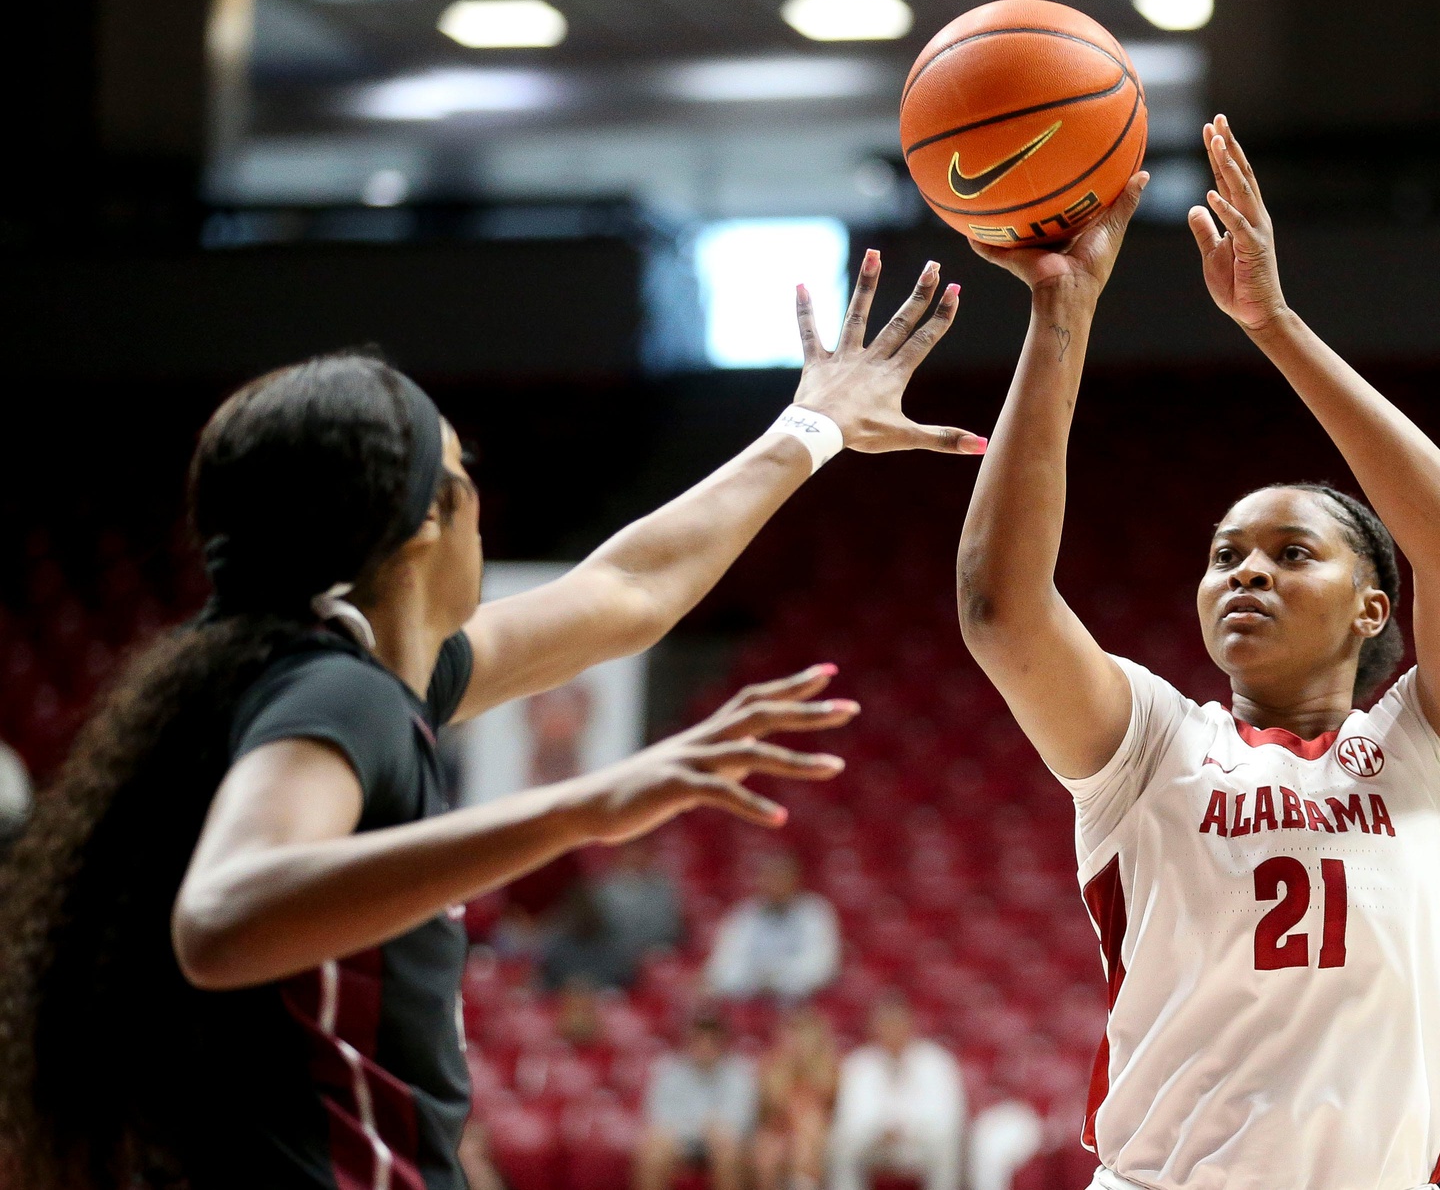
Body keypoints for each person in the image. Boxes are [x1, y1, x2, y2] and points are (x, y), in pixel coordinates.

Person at [0, 255, 984, 1190]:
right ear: (429, 519)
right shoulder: (339, 696)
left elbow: (631, 590)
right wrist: (582, 806)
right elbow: (220, 921)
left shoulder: (311, 674)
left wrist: (810, 429)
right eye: (464, 470)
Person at [956, 114, 1440, 1190]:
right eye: (1225, 555)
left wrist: (1271, 322)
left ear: (1370, 608)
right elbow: (998, 609)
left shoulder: (1432, 759)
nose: (1245, 572)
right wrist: (1059, 311)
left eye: (1288, 551)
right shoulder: (1153, 748)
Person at [827, 993, 967, 1190]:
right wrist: (881, 1129)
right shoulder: (859, 1063)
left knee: (946, 1143)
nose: (892, 1031)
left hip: (920, 1143)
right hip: (876, 1143)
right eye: (885, 1024)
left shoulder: (936, 1061)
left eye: (897, 1024)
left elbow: (948, 1116)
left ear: (910, 1026)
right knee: (841, 1143)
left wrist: (905, 1128)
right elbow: (850, 1117)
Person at [637, 1008, 760, 1190]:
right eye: (699, 1038)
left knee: (728, 1149)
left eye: (712, 1039)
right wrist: (702, 1129)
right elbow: (658, 1118)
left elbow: (740, 1122)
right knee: (652, 1150)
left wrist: (713, 1131)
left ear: (723, 1041)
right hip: (680, 1142)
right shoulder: (668, 1070)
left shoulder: (740, 1072)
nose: (705, 1045)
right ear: (688, 1041)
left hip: (724, 1144)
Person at [543, 836, 684, 990]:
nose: (635, 856)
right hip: (612, 955)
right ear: (621, 854)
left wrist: (644, 951)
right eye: (631, 851)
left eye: (639, 850)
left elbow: (669, 928)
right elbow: (598, 928)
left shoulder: (662, 887)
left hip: (648, 954)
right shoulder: (603, 889)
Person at [705, 850, 841, 1001]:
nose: (775, 884)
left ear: (796, 880)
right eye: (769, 877)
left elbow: (820, 968)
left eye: (781, 877)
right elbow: (723, 969)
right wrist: (761, 982)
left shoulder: (816, 913)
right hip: (747, 1001)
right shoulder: (742, 915)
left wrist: (772, 979)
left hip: (801, 1002)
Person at [752, 1007, 841, 1190]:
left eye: (804, 1035)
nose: (798, 1042)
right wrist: (790, 1067)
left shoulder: (830, 1067)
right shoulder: (773, 1066)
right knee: (767, 1153)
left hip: (820, 1135)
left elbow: (826, 1108)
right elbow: (772, 1109)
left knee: (807, 1138)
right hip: (779, 1131)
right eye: (794, 1035)